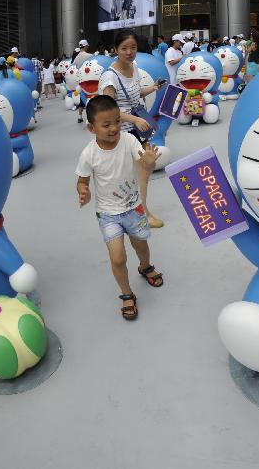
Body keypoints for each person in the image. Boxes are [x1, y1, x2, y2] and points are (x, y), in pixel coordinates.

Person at [76, 95, 163, 321]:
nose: (113, 128)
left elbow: (143, 162)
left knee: (141, 247)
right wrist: (83, 191)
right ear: (91, 128)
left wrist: (150, 161)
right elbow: (82, 180)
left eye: (116, 121)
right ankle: (126, 293)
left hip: (134, 208)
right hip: (108, 215)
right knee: (117, 258)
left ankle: (145, 267)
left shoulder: (129, 141)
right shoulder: (89, 154)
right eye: (106, 125)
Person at [99, 29, 167, 229]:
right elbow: (108, 110)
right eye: (124, 48)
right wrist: (133, 120)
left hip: (138, 130)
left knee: (143, 171)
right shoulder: (109, 77)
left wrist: (153, 87)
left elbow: (136, 94)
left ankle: (138, 211)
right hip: (123, 134)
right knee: (141, 171)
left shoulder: (133, 68)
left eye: (133, 48)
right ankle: (142, 213)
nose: (129, 52)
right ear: (115, 50)